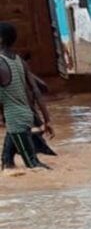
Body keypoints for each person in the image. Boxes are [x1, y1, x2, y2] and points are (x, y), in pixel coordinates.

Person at [0, 22, 53, 171]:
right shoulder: (19, 61)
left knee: (34, 165)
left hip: (15, 119)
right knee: (6, 163)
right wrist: (47, 119)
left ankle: (57, 191)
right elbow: (36, 91)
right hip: (23, 116)